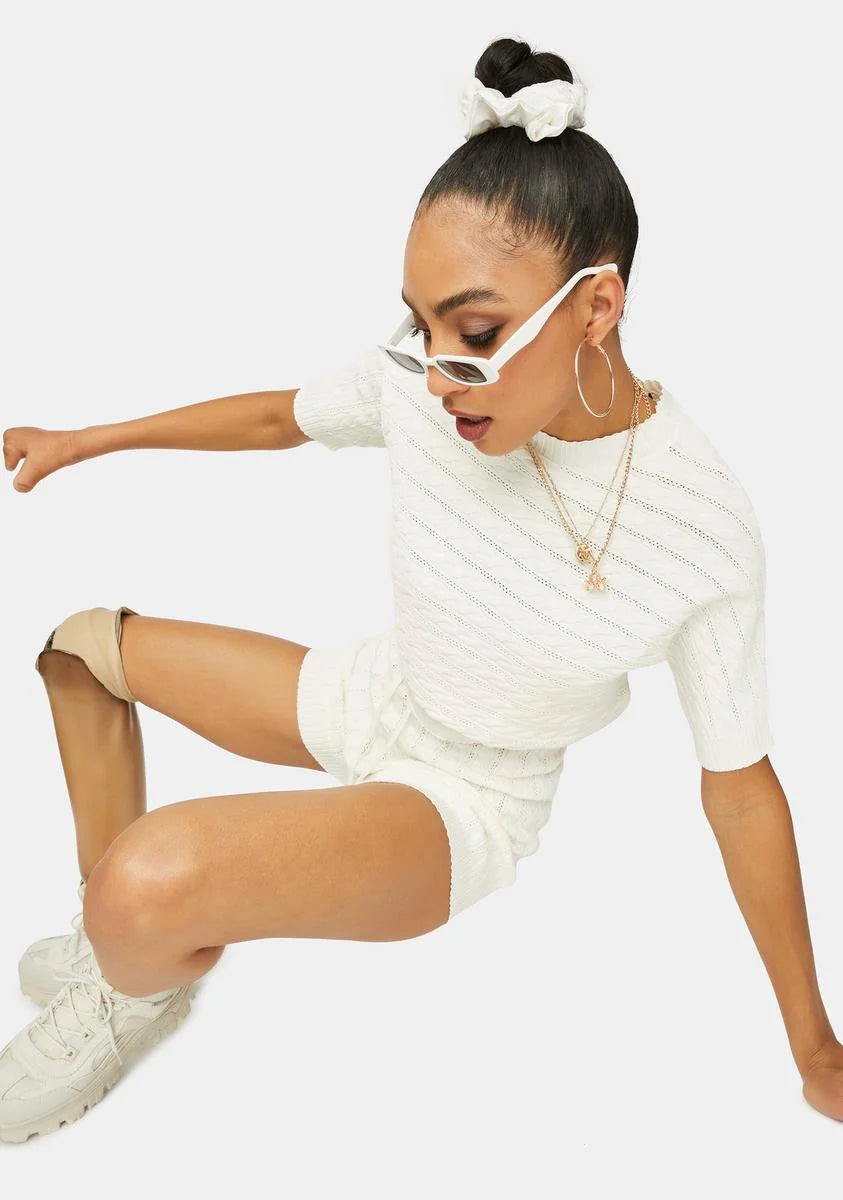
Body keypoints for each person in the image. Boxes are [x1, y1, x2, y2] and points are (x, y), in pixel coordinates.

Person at [1, 34, 840, 1143]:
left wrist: (815, 1047)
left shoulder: (699, 528)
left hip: (465, 802)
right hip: (377, 693)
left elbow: (740, 793)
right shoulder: (426, 380)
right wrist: (86, 439)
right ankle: (123, 957)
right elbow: (279, 418)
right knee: (80, 650)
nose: (441, 371)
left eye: (476, 331)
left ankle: (129, 966)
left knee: (146, 880)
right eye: (421, 322)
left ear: (597, 306)